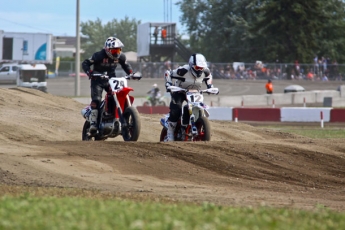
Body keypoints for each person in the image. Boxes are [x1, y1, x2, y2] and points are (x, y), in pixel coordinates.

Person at [82, 36, 133, 133]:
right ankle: (93, 123)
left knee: (117, 95)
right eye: (114, 51)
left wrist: (131, 73)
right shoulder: (98, 55)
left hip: (111, 79)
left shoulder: (121, 56)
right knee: (96, 99)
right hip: (97, 80)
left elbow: (126, 65)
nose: (117, 53)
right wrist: (89, 72)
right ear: (107, 49)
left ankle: (113, 114)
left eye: (119, 50)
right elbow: (85, 63)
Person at [163, 53, 219, 142]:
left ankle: (193, 125)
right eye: (197, 68)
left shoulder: (205, 71)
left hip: (195, 92)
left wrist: (210, 87)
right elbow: (168, 73)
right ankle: (170, 133)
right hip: (179, 90)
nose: (200, 70)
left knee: (198, 106)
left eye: (201, 68)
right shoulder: (183, 71)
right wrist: (168, 84)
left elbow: (208, 77)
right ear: (191, 65)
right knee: (177, 108)